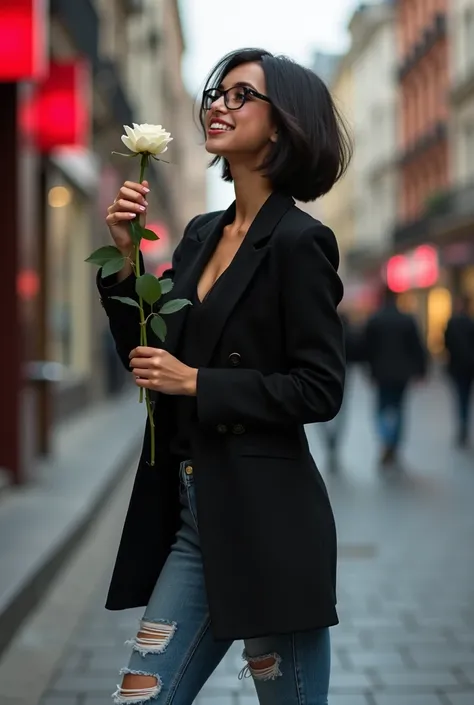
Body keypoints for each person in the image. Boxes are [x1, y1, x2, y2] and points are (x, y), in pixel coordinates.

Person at [97, 47, 351, 705]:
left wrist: (200, 384)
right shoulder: (200, 236)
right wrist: (126, 265)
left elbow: (321, 387)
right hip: (194, 518)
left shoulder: (299, 243)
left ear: (285, 122)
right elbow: (152, 358)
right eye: (218, 92)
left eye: (242, 95)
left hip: (269, 531)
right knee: (139, 697)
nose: (218, 104)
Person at [362, 286, 427, 468]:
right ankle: (394, 444)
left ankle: (385, 441)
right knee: (398, 408)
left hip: (381, 373)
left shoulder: (375, 320)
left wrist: (368, 369)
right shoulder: (407, 320)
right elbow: (417, 347)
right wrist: (421, 370)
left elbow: (366, 348)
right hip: (401, 374)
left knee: (382, 408)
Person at [322, 310, 362, 470]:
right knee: (341, 409)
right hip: (344, 374)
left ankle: (329, 439)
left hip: (324, 372)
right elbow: (355, 351)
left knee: (323, 409)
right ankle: (334, 440)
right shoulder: (346, 331)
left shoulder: (322, 330)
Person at [444, 296, 474, 447]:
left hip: (458, 367)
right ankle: (463, 426)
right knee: (464, 397)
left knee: (461, 397)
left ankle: (462, 426)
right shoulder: (469, 323)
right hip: (467, 367)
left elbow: (446, 344)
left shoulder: (453, 323)